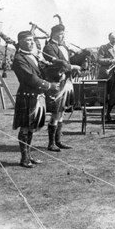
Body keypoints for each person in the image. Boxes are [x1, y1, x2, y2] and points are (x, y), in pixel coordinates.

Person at [12, 31, 60, 168]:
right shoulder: (19, 58)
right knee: (26, 127)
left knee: (31, 127)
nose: (32, 42)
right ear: (20, 42)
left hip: (36, 96)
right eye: (28, 40)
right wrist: (50, 86)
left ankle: (29, 156)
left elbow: (42, 72)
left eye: (32, 40)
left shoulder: (33, 56)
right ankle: (24, 158)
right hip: (27, 95)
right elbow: (30, 78)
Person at [43, 23, 80, 151]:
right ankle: (51, 143)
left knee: (62, 112)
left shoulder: (64, 47)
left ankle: (58, 141)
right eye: (60, 34)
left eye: (64, 33)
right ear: (54, 34)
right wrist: (73, 67)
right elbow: (58, 64)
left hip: (66, 83)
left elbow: (67, 62)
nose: (63, 35)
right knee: (55, 112)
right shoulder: (48, 47)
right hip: (56, 84)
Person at [97, 32, 115, 121]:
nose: (114, 40)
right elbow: (99, 59)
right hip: (105, 75)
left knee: (113, 96)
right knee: (104, 96)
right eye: (113, 38)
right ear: (109, 38)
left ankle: (108, 114)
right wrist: (111, 61)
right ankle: (103, 114)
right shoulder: (103, 47)